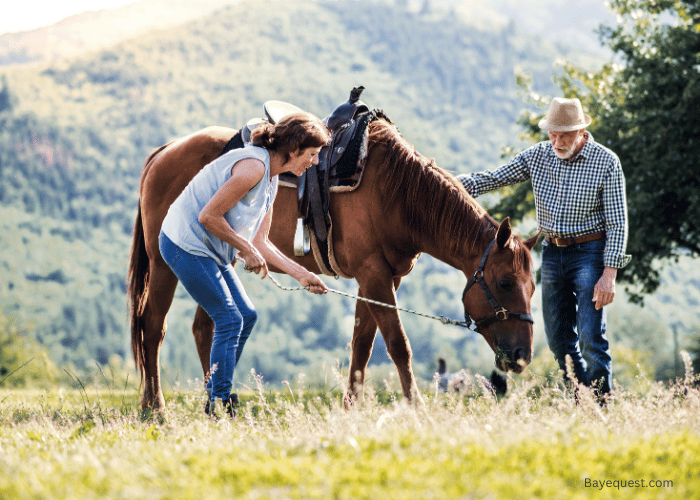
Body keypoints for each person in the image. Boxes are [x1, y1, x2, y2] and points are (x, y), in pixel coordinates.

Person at [457, 97, 631, 401]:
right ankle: (582, 398)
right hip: (552, 254)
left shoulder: (606, 162)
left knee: (590, 337)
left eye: (564, 135)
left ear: (580, 132)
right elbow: (494, 178)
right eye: (552, 134)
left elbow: (618, 222)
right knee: (559, 340)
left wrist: (609, 274)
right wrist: (445, 185)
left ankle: (602, 403)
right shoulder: (538, 155)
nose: (557, 141)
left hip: (590, 253)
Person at [159, 112, 331, 416]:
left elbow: (262, 242)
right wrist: (245, 249)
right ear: (294, 150)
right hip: (184, 244)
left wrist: (303, 275)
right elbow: (208, 216)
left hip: (210, 248)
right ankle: (219, 405)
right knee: (229, 318)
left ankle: (215, 389)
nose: (315, 162)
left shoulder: (272, 178)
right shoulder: (253, 168)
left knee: (246, 315)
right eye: (313, 154)